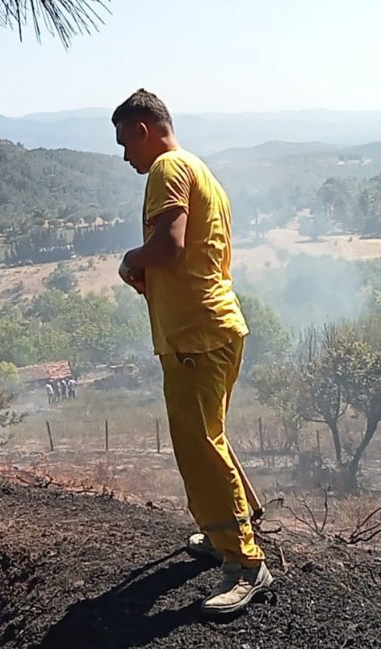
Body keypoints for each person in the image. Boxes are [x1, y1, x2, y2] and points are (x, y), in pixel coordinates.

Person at [113, 89, 272, 615]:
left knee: (199, 445)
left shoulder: (167, 168)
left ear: (143, 129)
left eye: (124, 143)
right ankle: (225, 525)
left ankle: (246, 563)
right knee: (210, 438)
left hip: (196, 337)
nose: (125, 157)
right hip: (217, 326)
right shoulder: (202, 171)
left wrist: (129, 259)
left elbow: (169, 247)